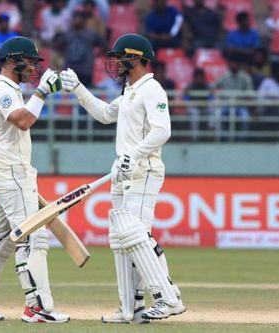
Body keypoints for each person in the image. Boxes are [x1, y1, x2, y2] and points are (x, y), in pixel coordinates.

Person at [60, 33, 185, 322]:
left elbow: (162, 130)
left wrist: (135, 155)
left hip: (144, 172)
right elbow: (104, 114)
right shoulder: (130, 90)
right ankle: (130, 308)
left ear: (137, 58)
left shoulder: (151, 89)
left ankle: (168, 298)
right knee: (121, 240)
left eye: (120, 57)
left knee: (137, 237)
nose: (115, 63)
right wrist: (78, 89)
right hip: (122, 173)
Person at [0, 36, 70, 323]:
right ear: (11, 60)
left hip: (4, 171)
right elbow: (23, 120)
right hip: (10, 172)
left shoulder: (7, 88)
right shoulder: (4, 90)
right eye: (29, 61)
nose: (32, 67)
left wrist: (40, 93)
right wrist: (42, 93)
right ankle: (38, 306)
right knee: (33, 238)